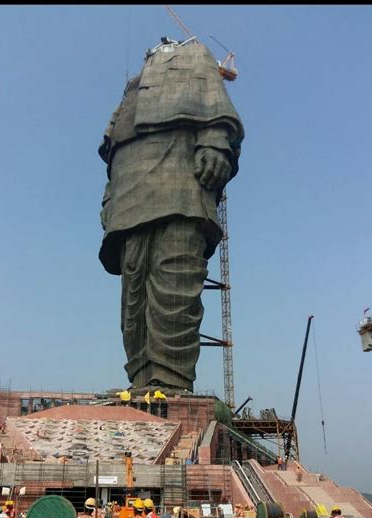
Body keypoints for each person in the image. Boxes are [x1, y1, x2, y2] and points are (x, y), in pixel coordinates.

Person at [98, 37, 244, 393]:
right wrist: (109, 199)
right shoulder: (130, 93)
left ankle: (171, 380)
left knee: (175, 279)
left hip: (181, 183)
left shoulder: (196, 58)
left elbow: (215, 109)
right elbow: (112, 155)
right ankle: (141, 379)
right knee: (134, 295)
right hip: (130, 193)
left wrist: (213, 139)